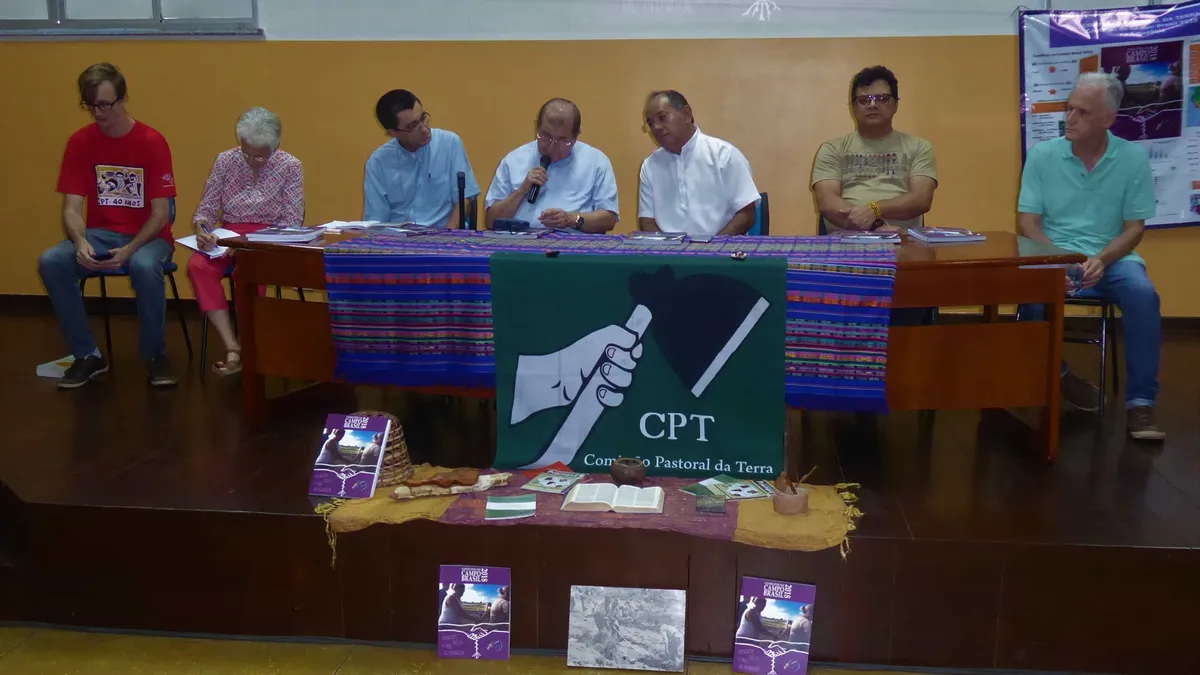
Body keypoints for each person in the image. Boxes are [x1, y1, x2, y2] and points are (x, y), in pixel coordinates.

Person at [1017, 72, 1165, 441]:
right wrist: (1060, 259)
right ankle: (1061, 376)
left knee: (1143, 296)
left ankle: (1141, 403)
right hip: (1054, 254)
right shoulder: (1042, 155)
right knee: (1030, 299)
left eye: (1082, 112)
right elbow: (1028, 223)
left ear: (1108, 119)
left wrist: (1101, 259)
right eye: (1069, 109)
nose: (1070, 118)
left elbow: (1134, 229)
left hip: (1112, 258)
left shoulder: (1132, 158)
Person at [38, 63, 178, 389]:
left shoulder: (152, 141)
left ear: (123, 98)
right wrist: (79, 241)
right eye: (90, 105)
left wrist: (130, 249)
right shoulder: (80, 142)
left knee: (143, 265)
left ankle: (154, 356)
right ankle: (87, 355)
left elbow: (160, 214)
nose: (98, 113)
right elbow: (72, 208)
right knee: (52, 261)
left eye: (104, 104)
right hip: (100, 234)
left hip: (149, 237)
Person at [187, 107, 304, 376]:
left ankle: (250, 343)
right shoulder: (225, 160)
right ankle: (233, 346)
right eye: (246, 153)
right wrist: (204, 231)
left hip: (266, 240)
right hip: (225, 235)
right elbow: (206, 210)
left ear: (276, 147)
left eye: (260, 156)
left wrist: (245, 243)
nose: (252, 161)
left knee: (248, 271)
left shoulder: (290, 166)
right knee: (197, 267)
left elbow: (291, 222)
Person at [812, 65, 938, 233]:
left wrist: (875, 209)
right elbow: (827, 202)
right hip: (845, 241)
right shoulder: (832, 149)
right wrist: (876, 226)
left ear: (895, 105)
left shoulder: (919, 147)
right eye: (864, 100)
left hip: (902, 240)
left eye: (882, 98)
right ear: (853, 107)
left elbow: (920, 200)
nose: (872, 104)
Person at [484, 98, 618, 233]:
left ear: (576, 135)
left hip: (574, 242)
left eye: (563, 140)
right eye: (546, 136)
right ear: (536, 127)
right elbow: (491, 221)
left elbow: (609, 219)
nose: (552, 146)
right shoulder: (513, 160)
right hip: (521, 241)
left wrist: (571, 219)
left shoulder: (596, 162)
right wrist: (521, 191)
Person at [638, 90, 760, 236]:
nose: (656, 127)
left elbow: (746, 214)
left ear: (687, 114)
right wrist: (667, 247)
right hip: (669, 249)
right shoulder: (650, 166)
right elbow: (647, 221)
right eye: (651, 124)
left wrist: (713, 246)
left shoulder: (724, 155)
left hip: (720, 246)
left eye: (663, 117)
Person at [364, 89, 479, 228]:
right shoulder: (378, 162)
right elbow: (376, 220)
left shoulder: (450, 144)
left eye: (423, 118)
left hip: (443, 233)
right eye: (413, 126)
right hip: (398, 238)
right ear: (393, 133)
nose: (424, 129)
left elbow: (464, 200)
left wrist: (445, 236)